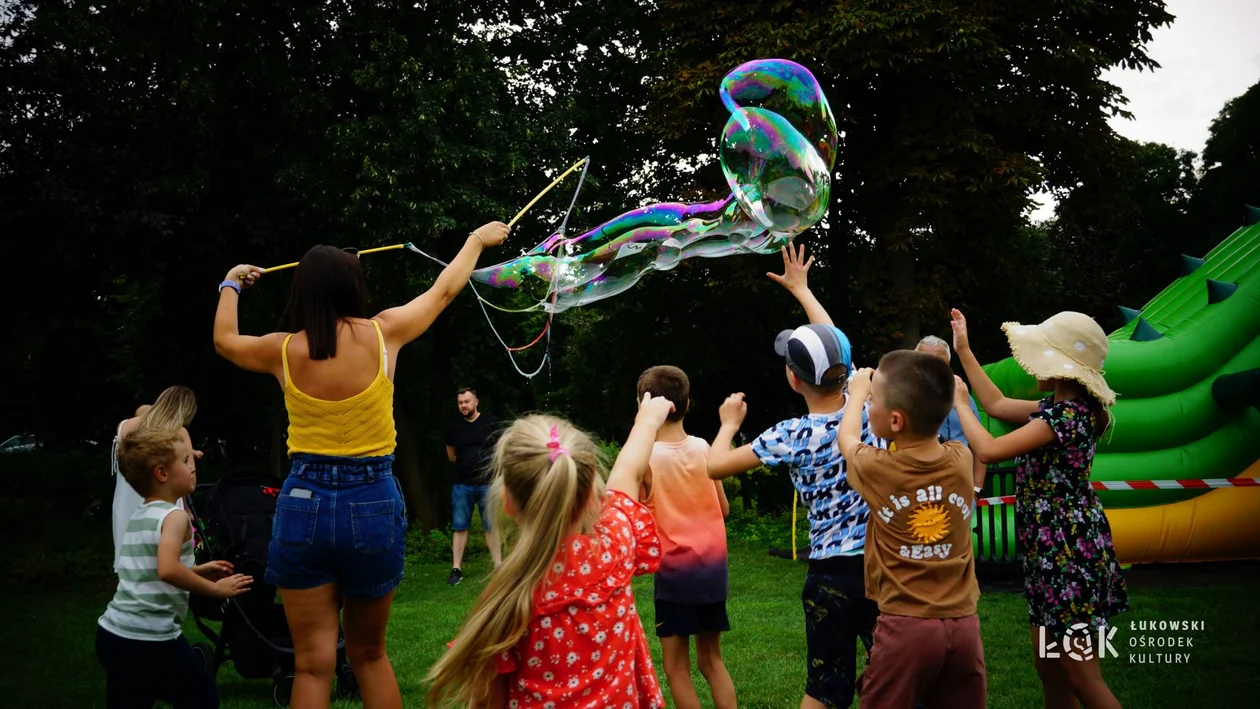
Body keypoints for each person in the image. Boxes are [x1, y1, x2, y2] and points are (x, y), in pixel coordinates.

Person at [212, 220, 511, 709]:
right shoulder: (384, 333)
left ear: (301, 288)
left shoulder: (282, 349)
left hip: (302, 503)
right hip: (371, 499)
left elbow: (225, 341)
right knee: (370, 655)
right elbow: (444, 291)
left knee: (311, 664)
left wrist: (230, 282)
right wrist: (475, 241)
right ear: (355, 286)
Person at [708, 244, 885, 709]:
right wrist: (803, 290)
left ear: (792, 379)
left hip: (829, 574)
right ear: (846, 373)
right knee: (899, 678)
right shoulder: (870, 412)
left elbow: (713, 467)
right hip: (884, 568)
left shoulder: (789, 435)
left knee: (825, 689)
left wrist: (728, 423)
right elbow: (834, 342)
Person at [424, 394, 676, 708]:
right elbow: (629, 469)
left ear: (507, 503)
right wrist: (648, 420)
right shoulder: (614, 544)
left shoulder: (508, 600)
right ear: (590, 498)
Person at [949, 308, 1128, 709]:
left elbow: (990, 449)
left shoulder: (1067, 416)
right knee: (1049, 666)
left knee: (1081, 674)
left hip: (1070, 555)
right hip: (1049, 555)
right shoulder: (1053, 408)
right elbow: (994, 403)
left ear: (1061, 367)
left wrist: (960, 404)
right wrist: (963, 348)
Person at [838, 353, 985, 708]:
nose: (868, 403)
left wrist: (855, 392)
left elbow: (847, 440)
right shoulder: (960, 459)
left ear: (896, 420)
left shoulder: (878, 469)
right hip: (965, 625)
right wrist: (961, 402)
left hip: (906, 627)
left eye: (873, 400)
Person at [97, 426, 254, 709]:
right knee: (201, 697)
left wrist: (196, 571)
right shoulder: (175, 517)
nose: (192, 467)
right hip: (151, 638)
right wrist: (216, 589)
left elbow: (151, 571)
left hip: (115, 633)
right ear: (162, 474)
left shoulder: (141, 514)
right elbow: (168, 570)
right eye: (184, 461)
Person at [636, 365, 736, 709]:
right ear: (687, 403)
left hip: (675, 576)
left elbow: (631, 516)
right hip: (712, 572)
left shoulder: (644, 458)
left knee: (676, 668)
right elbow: (723, 508)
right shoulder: (705, 448)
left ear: (643, 404)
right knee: (711, 661)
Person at [110, 386, 200, 572]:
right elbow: (188, 477)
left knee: (134, 565)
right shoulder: (179, 432)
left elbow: (143, 412)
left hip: (128, 505)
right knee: (172, 564)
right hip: (165, 505)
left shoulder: (125, 426)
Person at [915, 336, 988, 496]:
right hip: (916, 491)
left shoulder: (963, 397)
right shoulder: (902, 398)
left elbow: (979, 444)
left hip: (958, 491)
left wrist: (976, 488)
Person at [445, 387, 503, 585]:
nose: (464, 406)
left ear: (476, 402)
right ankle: (456, 570)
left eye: (467, 402)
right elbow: (451, 455)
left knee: (491, 526)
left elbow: (501, 450)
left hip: (488, 484)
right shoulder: (454, 428)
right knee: (460, 527)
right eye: (461, 403)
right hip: (463, 485)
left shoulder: (492, 423)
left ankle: (498, 566)